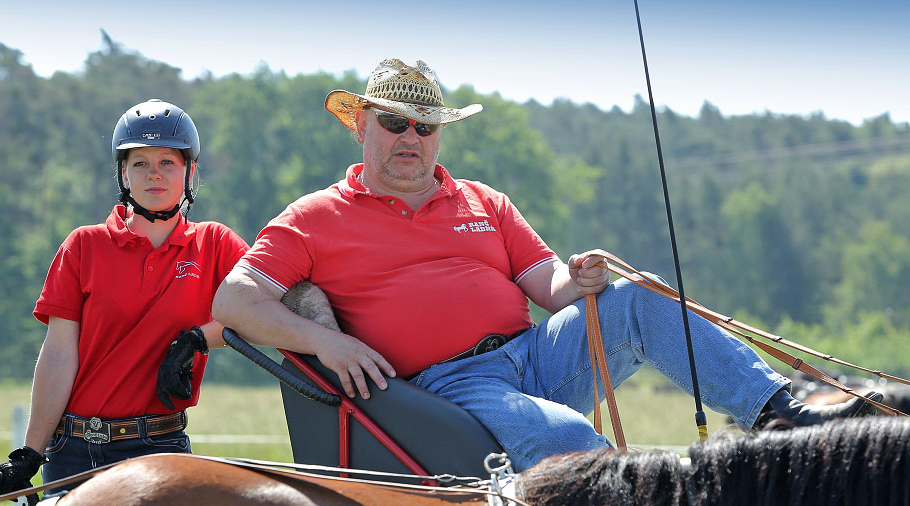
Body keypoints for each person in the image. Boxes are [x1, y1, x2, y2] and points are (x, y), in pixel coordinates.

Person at [211, 59, 877, 471]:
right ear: (360, 127)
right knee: (561, 431)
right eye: (394, 123)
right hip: (449, 387)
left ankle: (779, 418)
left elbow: (552, 290)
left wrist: (581, 280)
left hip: (536, 355)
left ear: (439, 133)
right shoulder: (316, 216)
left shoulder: (484, 201)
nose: (410, 139)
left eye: (425, 126)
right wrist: (326, 341)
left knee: (640, 296)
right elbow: (234, 303)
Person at [0, 99, 249, 494]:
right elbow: (59, 352)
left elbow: (263, 312)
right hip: (74, 450)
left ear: (190, 172)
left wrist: (197, 338)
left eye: (167, 162)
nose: (154, 175)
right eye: (140, 163)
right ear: (123, 174)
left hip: (160, 447)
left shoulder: (215, 243)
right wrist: (30, 451)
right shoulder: (84, 245)